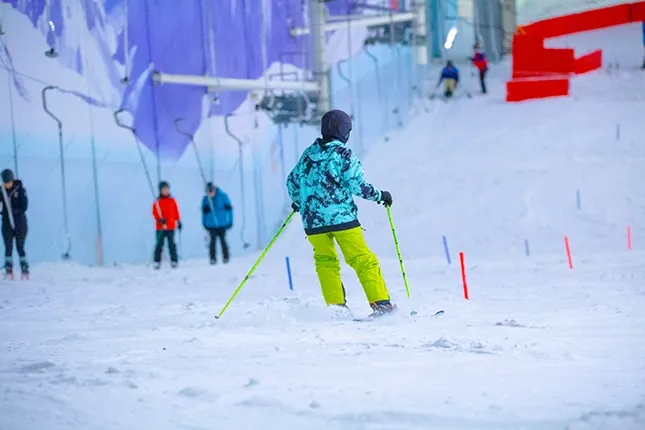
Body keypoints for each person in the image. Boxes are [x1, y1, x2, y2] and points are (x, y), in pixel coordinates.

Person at [286, 109, 395, 318]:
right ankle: (381, 305)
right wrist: (380, 195)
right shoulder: (343, 154)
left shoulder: (308, 154)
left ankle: (337, 309)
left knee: (325, 262)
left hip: (313, 222)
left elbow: (292, 181)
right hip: (342, 219)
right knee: (362, 259)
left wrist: (301, 202)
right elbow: (356, 184)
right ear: (344, 131)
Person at [1, 169, 29, 279]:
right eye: (5, 182)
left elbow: (25, 205)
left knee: (20, 246)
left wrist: (16, 211)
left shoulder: (20, 189)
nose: (7, 184)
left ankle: (25, 269)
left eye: (9, 182)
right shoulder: (1, 191)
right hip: (7, 223)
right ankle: (9, 270)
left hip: (20, 223)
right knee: (8, 247)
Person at [152, 181, 181, 269]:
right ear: (160, 190)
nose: (165, 191)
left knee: (171, 244)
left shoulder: (172, 200)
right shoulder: (157, 202)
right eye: (163, 189)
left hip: (171, 226)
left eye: (167, 189)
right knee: (159, 244)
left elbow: (176, 212)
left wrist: (178, 221)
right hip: (160, 227)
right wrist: (160, 220)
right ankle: (157, 261)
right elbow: (155, 212)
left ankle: (174, 260)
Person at [202, 182, 233, 265]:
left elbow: (230, 210)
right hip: (211, 225)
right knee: (212, 242)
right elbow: (203, 213)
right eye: (208, 192)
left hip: (222, 224)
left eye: (211, 192)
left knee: (223, 240)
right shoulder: (206, 199)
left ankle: (226, 257)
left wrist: (230, 221)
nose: (210, 194)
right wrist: (204, 223)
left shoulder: (223, 197)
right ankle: (212, 258)